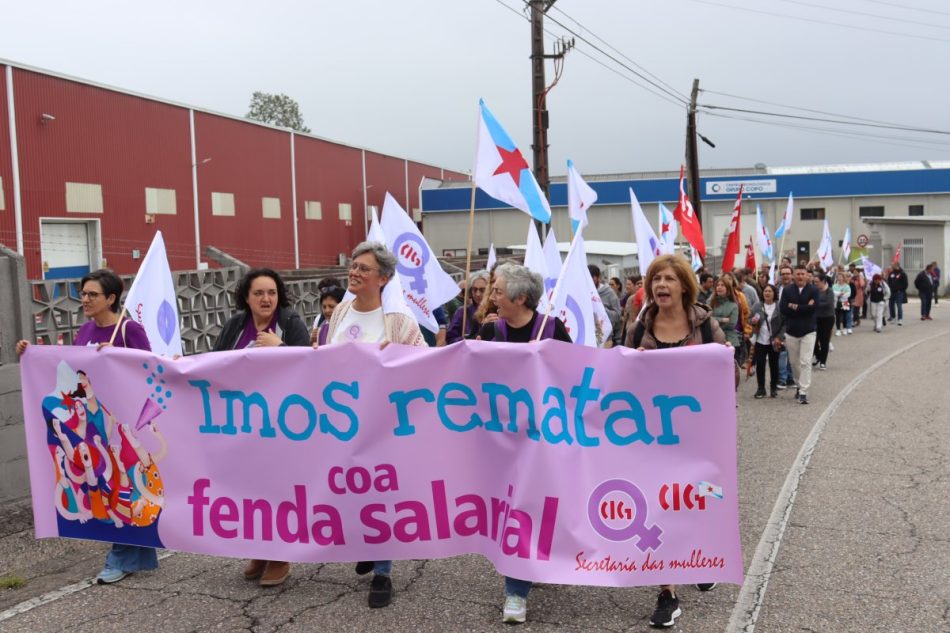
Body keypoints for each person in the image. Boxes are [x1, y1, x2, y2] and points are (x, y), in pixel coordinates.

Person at [17, 269, 159, 585]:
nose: (85, 299)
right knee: (112, 491)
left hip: (121, 426)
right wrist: (30, 354)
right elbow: (66, 369)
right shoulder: (84, 330)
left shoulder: (128, 329)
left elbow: (149, 367)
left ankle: (119, 558)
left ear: (111, 298)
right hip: (91, 428)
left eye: (93, 294)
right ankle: (139, 555)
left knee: (121, 489)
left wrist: (117, 356)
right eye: (83, 293)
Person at [318, 241, 426, 609]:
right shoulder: (340, 313)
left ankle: (382, 573)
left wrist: (392, 362)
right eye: (353, 265)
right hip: (341, 425)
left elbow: (424, 366)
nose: (354, 272)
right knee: (350, 491)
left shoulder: (398, 322)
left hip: (383, 428)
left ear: (384, 278)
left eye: (364, 268)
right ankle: (366, 543)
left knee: (382, 496)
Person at [622, 254, 726, 629]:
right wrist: (631, 363)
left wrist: (722, 360)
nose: (660, 285)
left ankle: (701, 555)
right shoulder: (637, 328)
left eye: (668, 278)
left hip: (701, 437)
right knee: (658, 508)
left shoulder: (706, 324)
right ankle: (667, 592)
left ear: (684, 285)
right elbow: (621, 383)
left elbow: (727, 379)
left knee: (704, 500)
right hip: (651, 437)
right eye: (655, 280)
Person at [471, 263, 571, 623]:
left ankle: (531, 565)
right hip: (501, 438)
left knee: (536, 506)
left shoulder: (552, 329)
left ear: (521, 298)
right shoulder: (489, 329)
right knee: (515, 509)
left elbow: (574, 377)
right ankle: (516, 592)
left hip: (542, 438)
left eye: (497, 291)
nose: (490, 297)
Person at [213, 268, 310, 587]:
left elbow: (311, 367)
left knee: (278, 487)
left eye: (272, 292)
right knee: (250, 489)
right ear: (246, 297)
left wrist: (279, 348)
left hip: (281, 423)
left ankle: (280, 555)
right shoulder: (234, 325)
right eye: (259, 293)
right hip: (241, 422)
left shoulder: (290, 323)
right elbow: (213, 364)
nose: (266, 299)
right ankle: (259, 549)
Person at [780, 265, 819, 404]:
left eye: (803, 274)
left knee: (805, 361)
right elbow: (783, 308)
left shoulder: (813, 290)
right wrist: (803, 307)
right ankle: (798, 384)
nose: (800, 276)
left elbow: (812, 309)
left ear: (807, 275)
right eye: (798, 274)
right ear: (793, 276)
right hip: (791, 331)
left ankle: (803, 391)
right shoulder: (787, 290)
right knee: (794, 363)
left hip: (808, 331)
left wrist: (795, 306)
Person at [751, 284, 784, 398]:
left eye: (770, 291)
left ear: (774, 293)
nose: (767, 293)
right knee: (760, 363)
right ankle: (761, 388)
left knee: (774, 364)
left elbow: (784, 324)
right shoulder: (757, 306)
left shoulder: (779, 307)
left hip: (774, 340)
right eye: (765, 291)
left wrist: (779, 337)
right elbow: (750, 320)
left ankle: (773, 387)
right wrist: (753, 322)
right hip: (761, 339)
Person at [446, 270, 488, 343]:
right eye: (474, 290)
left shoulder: (499, 311)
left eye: (482, 290)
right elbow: (450, 339)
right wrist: (465, 339)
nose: (477, 294)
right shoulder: (463, 312)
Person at [589, 265, 622, 347]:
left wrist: (601, 310)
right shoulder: (584, 292)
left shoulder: (609, 293)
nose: (590, 280)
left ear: (598, 277)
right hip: (589, 337)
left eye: (592, 277)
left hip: (606, 338)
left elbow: (618, 315)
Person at [710, 277, 741, 352]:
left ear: (728, 289)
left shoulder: (733, 305)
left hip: (729, 339)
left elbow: (731, 324)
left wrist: (714, 320)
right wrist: (722, 319)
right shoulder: (710, 302)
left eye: (722, 285)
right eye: (718, 285)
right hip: (711, 338)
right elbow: (706, 319)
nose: (719, 287)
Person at [813, 274, 835, 370]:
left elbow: (828, 303)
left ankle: (823, 361)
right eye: (815, 282)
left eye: (817, 282)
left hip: (827, 318)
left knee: (824, 340)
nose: (815, 283)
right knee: (813, 339)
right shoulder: (814, 291)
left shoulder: (829, 291)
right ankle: (818, 355)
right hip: (816, 318)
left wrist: (815, 303)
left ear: (823, 281)